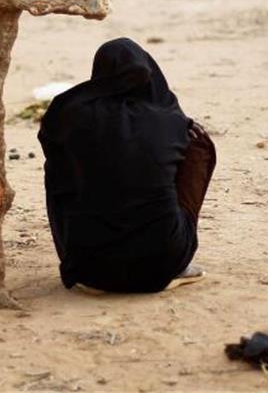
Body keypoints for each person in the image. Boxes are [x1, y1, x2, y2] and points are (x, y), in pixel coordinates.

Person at [37, 38, 217, 293]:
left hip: (90, 268)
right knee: (198, 144)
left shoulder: (71, 116)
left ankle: (84, 256)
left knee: (60, 163)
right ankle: (177, 262)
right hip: (163, 261)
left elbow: (50, 138)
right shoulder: (168, 119)